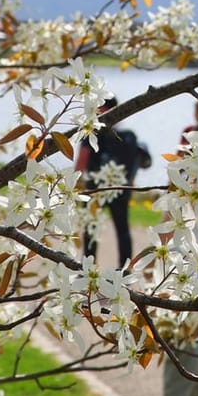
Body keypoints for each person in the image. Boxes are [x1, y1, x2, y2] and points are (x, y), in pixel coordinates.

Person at [77, 98, 147, 268]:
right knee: (122, 229)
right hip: (120, 189)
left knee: (91, 229)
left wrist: (76, 184)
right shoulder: (128, 135)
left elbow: (82, 160)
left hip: (95, 189)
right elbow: (135, 161)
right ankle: (124, 269)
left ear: (103, 108)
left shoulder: (91, 133)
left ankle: (89, 266)